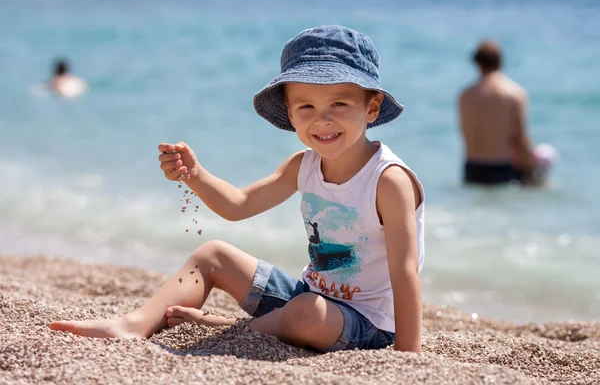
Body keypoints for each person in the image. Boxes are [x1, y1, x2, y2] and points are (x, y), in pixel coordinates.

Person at [49, 25, 425, 353]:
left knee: (305, 313)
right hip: (309, 300)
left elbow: (405, 273)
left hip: (369, 325)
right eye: (306, 106)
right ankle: (134, 324)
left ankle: (231, 330)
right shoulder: (303, 165)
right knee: (213, 254)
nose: (322, 119)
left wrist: (408, 356)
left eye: (339, 103)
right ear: (290, 114)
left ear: (372, 107)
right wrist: (195, 175)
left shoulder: (388, 180)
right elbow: (239, 205)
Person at [458, 40, 538, 185]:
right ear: (501, 61)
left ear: (477, 62)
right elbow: (520, 137)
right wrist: (530, 171)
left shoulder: (465, 95)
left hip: (472, 166)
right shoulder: (514, 94)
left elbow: (464, 132)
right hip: (501, 167)